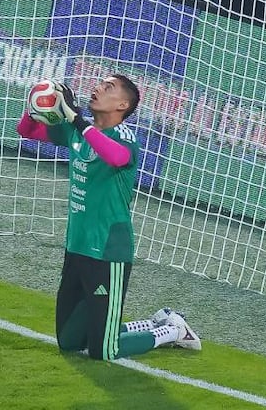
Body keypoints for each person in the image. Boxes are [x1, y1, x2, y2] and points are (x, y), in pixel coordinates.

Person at [16, 75, 201, 360]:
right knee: (70, 341)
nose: (98, 87)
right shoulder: (77, 131)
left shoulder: (123, 137)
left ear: (123, 104)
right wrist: (34, 108)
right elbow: (26, 131)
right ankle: (154, 321)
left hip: (108, 250)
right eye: (100, 83)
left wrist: (77, 121)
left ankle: (174, 330)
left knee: (104, 350)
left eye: (108, 87)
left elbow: (115, 158)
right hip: (77, 245)